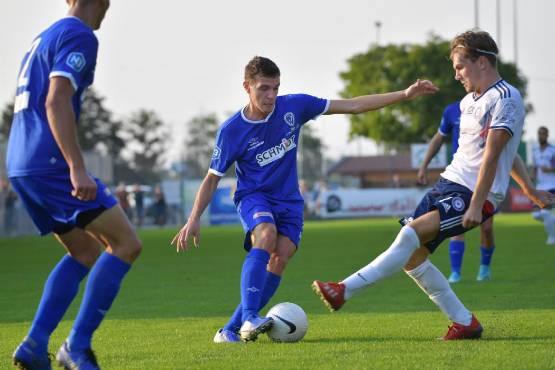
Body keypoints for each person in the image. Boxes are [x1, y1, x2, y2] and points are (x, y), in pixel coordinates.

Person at [171, 56, 438, 343]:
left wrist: (405, 94)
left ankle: (230, 330)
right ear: (246, 87)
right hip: (254, 196)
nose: (271, 95)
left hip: (289, 201)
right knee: (266, 233)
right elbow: (212, 177)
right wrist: (194, 218)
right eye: (263, 88)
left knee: (281, 257)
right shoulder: (232, 130)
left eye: (275, 88)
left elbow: (354, 105)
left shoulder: (294, 106)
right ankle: (250, 316)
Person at [312, 30, 554, 340]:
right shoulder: (468, 103)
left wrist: (478, 204)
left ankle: (343, 290)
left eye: (460, 66)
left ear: (482, 62)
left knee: (409, 235)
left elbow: (495, 154)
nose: (456, 75)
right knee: (413, 258)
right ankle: (465, 323)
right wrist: (531, 191)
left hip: (472, 193)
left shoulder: (506, 97)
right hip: (447, 185)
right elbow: (505, 154)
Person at [8, 1, 142, 369]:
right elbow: (55, 100)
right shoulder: (79, 35)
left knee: (84, 251)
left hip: (21, 163)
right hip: (49, 163)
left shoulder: (45, 35)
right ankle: (76, 347)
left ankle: (35, 345)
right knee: (125, 243)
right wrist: (76, 167)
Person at [417, 101, 496, 282]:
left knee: (487, 229)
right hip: (459, 179)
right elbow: (438, 138)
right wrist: (424, 166)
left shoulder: (491, 108)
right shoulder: (452, 110)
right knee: (456, 227)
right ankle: (455, 273)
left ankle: (484, 268)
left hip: (486, 177)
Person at [531, 126, 555, 244]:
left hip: (551, 186)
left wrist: (550, 169)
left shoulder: (552, 150)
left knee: (545, 213)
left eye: (544, 134)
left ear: (547, 135)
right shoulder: (535, 151)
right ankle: (551, 221)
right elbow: (535, 169)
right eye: (540, 133)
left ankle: (552, 238)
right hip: (539, 188)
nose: (541, 136)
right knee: (535, 215)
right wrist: (532, 177)